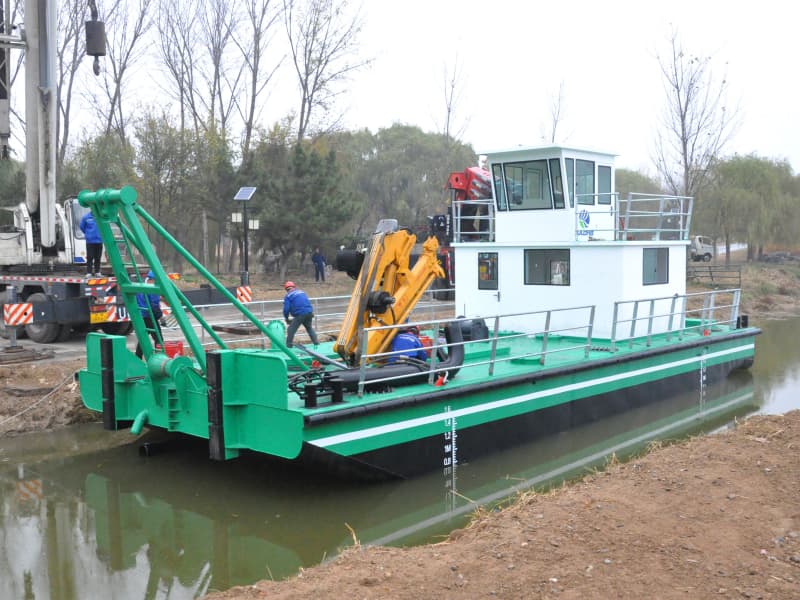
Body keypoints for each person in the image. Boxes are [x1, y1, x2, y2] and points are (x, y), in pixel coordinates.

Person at [135, 270, 163, 358]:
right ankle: (159, 359)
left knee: (143, 339)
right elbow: (154, 305)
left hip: (140, 315)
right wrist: (160, 316)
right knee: (159, 339)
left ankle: (137, 358)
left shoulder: (142, 285)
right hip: (149, 316)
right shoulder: (152, 288)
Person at [283, 281, 319, 348]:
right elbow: (306, 302)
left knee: (291, 329)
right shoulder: (302, 292)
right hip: (309, 312)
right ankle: (316, 343)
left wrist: (286, 317)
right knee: (309, 328)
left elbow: (286, 309)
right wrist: (311, 312)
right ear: (294, 287)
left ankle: (288, 346)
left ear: (286, 289)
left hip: (300, 314)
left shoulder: (288, 296)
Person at [79, 211, 103, 276]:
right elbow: (82, 227)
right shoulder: (86, 217)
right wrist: (88, 234)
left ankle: (97, 272)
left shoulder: (101, 216)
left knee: (98, 257)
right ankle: (89, 272)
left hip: (99, 240)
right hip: (90, 241)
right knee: (90, 257)